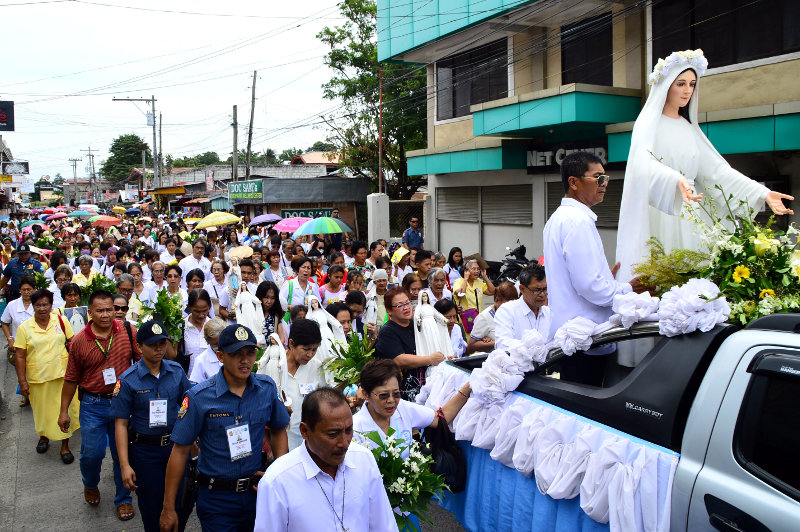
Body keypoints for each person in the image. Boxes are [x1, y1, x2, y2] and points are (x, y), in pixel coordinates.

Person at [615, 49, 793, 283]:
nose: (687, 90)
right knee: (663, 273)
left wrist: (762, 192)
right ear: (666, 85)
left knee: (693, 274)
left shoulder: (690, 130)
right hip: (664, 208)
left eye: (692, 84)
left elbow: (718, 172)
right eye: (680, 83)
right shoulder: (648, 126)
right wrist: (674, 180)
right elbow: (641, 165)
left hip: (691, 213)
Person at [159, 324, 290, 532]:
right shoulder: (199, 397)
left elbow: (278, 428)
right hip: (217, 499)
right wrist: (168, 508)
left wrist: (279, 476)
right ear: (220, 356)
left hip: (257, 493)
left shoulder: (266, 389)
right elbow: (180, 450)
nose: (245, 360)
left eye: (250, 352)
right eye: (236, 354)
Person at [544, 152, 649, 385]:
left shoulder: (559, 218)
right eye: (598, 178)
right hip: (586, 340)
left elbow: (581, 280)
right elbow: (591, 287)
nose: (604, 185)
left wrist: (608, 281)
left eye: (606, 178)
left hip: (576, 338)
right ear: (574, 182)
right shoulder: (577, 221)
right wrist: (627, 289)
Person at [254, 387, 398, 532]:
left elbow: (384, 525)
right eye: (333, 434)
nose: (344, 442)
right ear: (305, 431)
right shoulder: (278, 481)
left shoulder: (363, 460)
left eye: (348, 430)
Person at [58, 290, 141, 521]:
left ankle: (123, 499)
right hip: (92, 404)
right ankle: (90, 483)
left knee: (121, 455)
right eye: (100, 311)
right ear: (90, 312)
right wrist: (64, 411)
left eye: (110, 310)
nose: (106, 315)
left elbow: (140, 362)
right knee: (91, 455)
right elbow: (71, 379)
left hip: (122, 404)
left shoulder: (127, 330)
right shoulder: (79, 341)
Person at [111, 320, 194, 532]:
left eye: (162, 343)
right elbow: (120, 423)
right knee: (151, 507)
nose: (159, 349)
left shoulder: (176, 371)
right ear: (139, 347)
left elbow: (190, 404)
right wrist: (124, 465)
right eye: (152, 344)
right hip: (145, 452)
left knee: (180, 503)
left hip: (175, 448)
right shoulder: (128, 380)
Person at [14, 289, 79, 463]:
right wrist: (22, 381)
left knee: (64, 411)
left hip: (63, 376)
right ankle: (44, 437)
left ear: (51, 305)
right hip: (38, 378)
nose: (42, 308)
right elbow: (20, 355)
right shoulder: (24, 327)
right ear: (33, 306)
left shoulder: (61, 320)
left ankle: (65, 445)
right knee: (42, 413)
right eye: (38, 305)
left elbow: (73, 344)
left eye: (45, 304)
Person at [354, 359, 470, 454]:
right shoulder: (355, 429)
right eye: (383, 396)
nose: (391, 401)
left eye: (396, 394)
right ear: (365, 394)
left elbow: (441, 418)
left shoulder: (403, 408)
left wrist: (468, 387)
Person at [261, 318, 326, 451]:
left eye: (314, 350)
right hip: (277, 442)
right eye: (306, 349)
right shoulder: (273, 366)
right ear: (291, 343)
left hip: (307, 443)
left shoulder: (317, 367)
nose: (310, 354)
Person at [374, 287, 445, 402]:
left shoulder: (415, 324)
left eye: (407, 302)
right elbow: (399, 360)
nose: (406, 307)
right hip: (403, 388)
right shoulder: (388, 331)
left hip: (424, 381)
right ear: (389, 310)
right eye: (400, 305)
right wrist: (430, 359)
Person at [494, 264, 550, 351]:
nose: (542, 294)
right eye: (537, 290)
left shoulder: (549, 313)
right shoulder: (507, 311)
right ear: (522, 289)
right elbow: (503, 345)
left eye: (545, 289)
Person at [467, 281, 518, 354]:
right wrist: (496, 343)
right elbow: (471, 346)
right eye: (508, 304)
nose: (511, 307)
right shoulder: (484, 317)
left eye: (514, 303)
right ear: (496, 300)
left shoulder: (516, 313)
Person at [2, 274, 36, 354]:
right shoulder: (12, 305)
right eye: (23, 290)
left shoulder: (39, 305)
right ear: (19, 290)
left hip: (36, 347)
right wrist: (10, 339)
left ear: (34, 289)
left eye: (29, 289)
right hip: (18, 348)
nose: (26, 292)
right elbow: (4, 323)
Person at [183, 289, 212, 377]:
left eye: (204, 311)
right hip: (188, 378)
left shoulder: (213, 326)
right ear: (189, 307)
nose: (201, 315)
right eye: (197, 311)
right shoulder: (182, 327)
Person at [188, 318, 226, 383]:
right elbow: (198, 386)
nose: (220, 346)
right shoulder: (201, 361)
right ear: (208, 342)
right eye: (215, 344)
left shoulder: (234, 353)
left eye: (223, 341)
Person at [256, 280, 286, 346]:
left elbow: (282, 339)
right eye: (266, 297)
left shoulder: (275, 316)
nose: (269, 301)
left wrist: (275, 346)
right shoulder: (252, 313)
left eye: (272, 298)